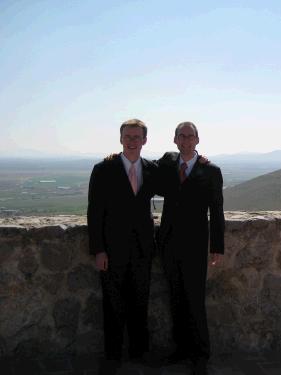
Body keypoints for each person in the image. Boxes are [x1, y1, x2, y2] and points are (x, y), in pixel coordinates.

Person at [87, 119, 157, 372]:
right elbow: (94, 212)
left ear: (144, 141)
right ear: (120, 139)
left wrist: (198, 157)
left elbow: (177, 169)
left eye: (137, 137)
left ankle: (140, 351)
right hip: (112, 250)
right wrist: (98, 250)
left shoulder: (152, 169)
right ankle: (113, 355)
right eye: (128, 136)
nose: (132, 141)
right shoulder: (103, 169)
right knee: (112, 304)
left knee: (140, 301)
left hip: (142, 249)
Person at [157, 121, 225, 375]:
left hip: (196, 245)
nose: (185, 140)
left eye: (190, 136)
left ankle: (200, 354)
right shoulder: (167, 163)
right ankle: (181, 349)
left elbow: (216, 211)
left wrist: (217, 246)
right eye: (181, 136)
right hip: (169, 244)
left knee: (195, 300)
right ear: (175, 140)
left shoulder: (211, 171)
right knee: (175, 298)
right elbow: (142, 167)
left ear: (198, 140)